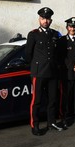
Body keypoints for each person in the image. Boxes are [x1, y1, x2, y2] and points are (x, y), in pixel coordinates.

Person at [25, 7, 62, 136]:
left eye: (47, 18)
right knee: (37, 101)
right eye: (43, 18)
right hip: (39, 72)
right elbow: (28, 54)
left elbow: (57, 54)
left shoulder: (55, 34)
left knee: (52, 100)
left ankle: (51, 122)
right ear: (39, 19)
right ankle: (34, 125)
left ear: (50, 20)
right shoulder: (33, 34)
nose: (45, 21)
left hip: (52, 72)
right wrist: (36, 67)